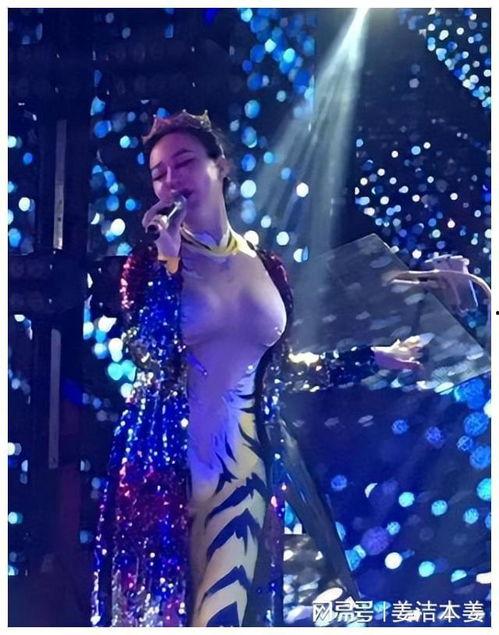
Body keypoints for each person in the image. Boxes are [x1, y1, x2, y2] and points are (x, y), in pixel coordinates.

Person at [91, 110, 425, 627]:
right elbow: (150, 353)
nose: (172, 180)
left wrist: (373, 357)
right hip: (165, 468)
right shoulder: (148, 265)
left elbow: (280, 369)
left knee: (223, 615)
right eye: (159, 174)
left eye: (184, 162)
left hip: (244, 464)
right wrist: (169, 261)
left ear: (220, 166)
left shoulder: (266, 266)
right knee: (162, 617)